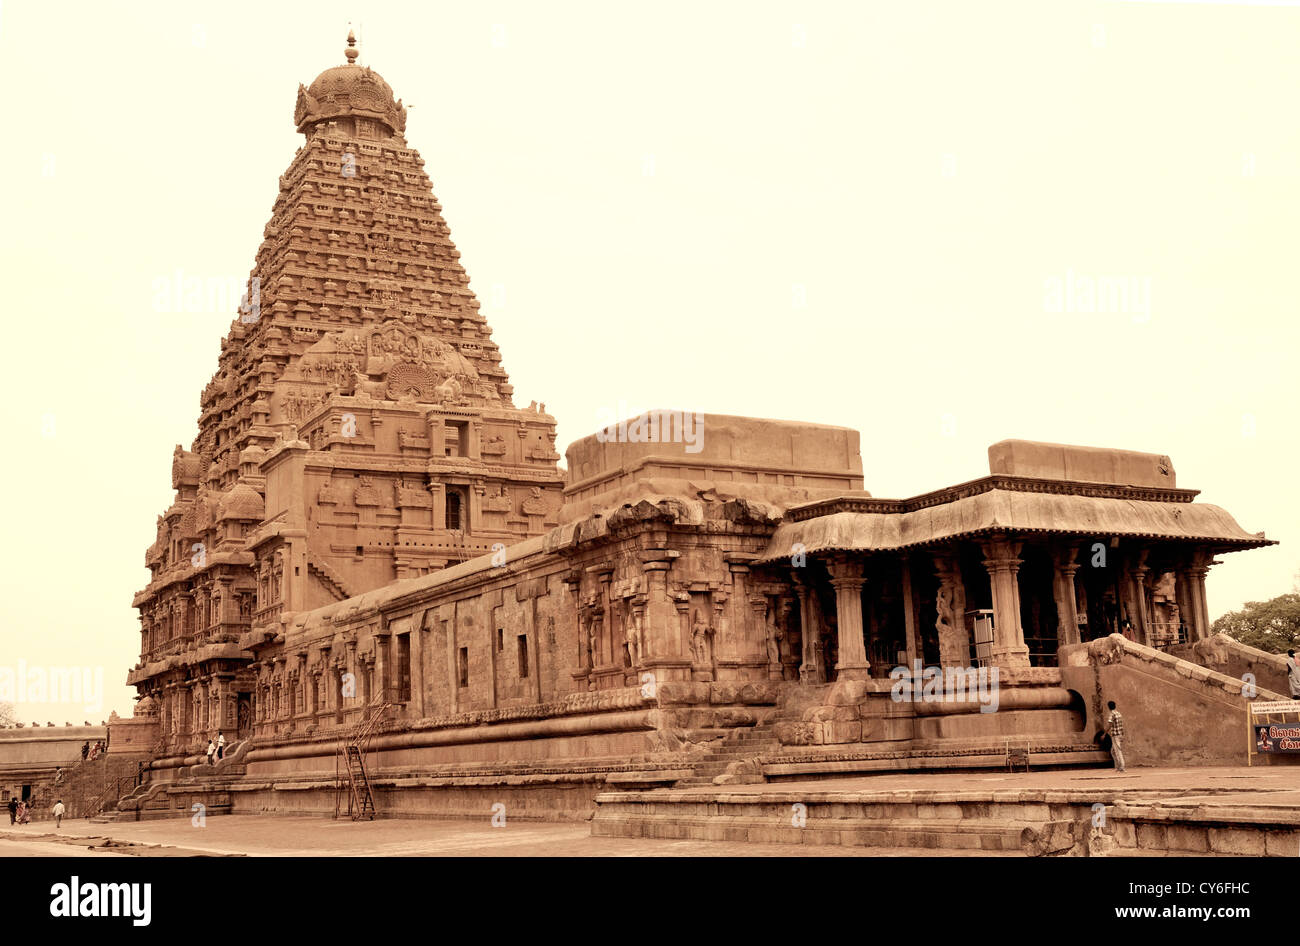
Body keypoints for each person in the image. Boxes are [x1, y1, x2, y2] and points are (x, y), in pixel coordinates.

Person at [1105, 700, 1126, 773]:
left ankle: (1121, 767)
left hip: (1115, 735)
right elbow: (1121, 725)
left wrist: (1104, 734)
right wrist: (1122, 735)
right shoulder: (1119, 714)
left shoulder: (1112, 714)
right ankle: (1117, 767)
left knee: (1117, 751)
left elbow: (1109, 725)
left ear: (1108, 707)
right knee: (1113, 751)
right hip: (1119, 734)